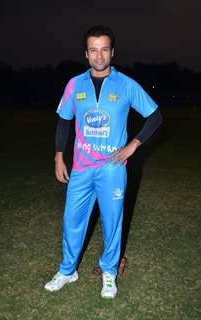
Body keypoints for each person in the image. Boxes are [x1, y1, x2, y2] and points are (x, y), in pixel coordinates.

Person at [44, 25, 163, 299]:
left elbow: (155, 116)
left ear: (113, 52)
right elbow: (64, 120)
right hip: (82, 169)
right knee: (72, 220)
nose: (99, 56)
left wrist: (133, 145)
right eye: (94, 50)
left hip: (112, 169)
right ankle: (67, 270)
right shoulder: (75, 84)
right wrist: (59, 155)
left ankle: (109, 272)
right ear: (86, 54)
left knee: (113, 221)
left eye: (104, 49)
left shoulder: (126, 85)